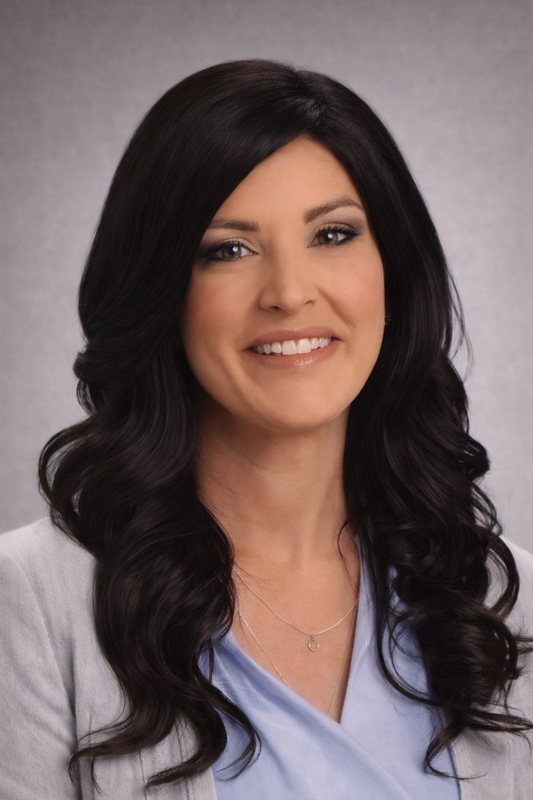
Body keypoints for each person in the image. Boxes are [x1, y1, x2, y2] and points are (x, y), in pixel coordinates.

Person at [1, 59, 532, 800]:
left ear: (393, 274)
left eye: (334, 234)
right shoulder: (30, 598)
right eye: (228, 250)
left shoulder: (503, 594)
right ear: (161, 291)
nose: (288, 291)